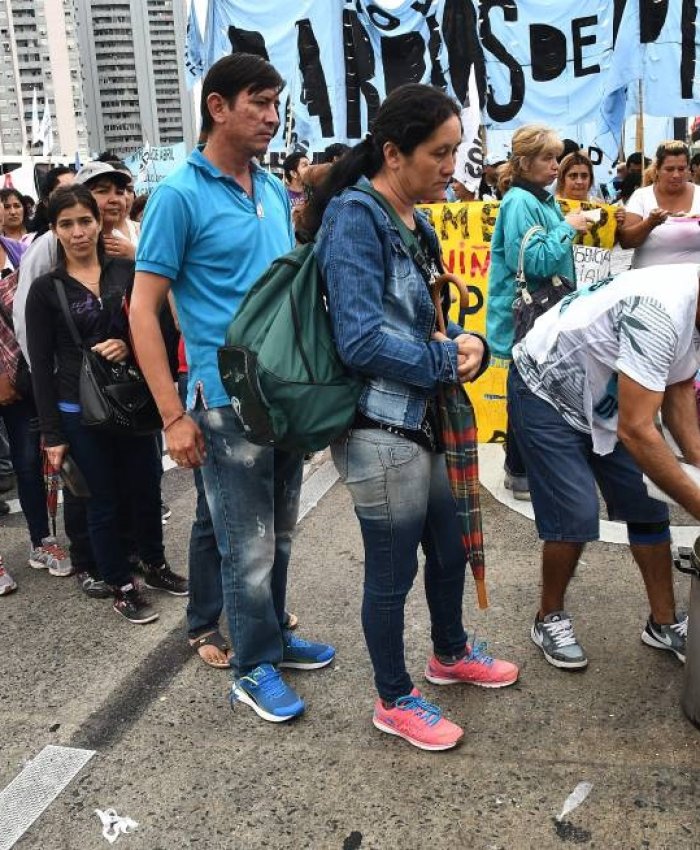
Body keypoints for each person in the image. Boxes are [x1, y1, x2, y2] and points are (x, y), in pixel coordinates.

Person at [305, 83, 519, 753]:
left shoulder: (415, 219)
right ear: (393, 153)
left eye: (455, 152)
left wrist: (470, 345)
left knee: (449, 550)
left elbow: (433, 322)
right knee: (392, 573)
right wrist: (444, 362)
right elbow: (361, 341)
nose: (451, 167)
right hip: (379, 429)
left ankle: (449, 653)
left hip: (426, 422)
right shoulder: (353, 218)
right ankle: (393, 697)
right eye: (439, 153)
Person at [130, 53, 335, 720]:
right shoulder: (178, 195)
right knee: (243, 545)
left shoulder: (274, 190)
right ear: (217, 107)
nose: (273, 118)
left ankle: (271, 636)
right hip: (223, 402)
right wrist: (173, 416)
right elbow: (142, 310)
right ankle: (251, 668)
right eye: (259, 103)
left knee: (277, 535)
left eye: (277, 105)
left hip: (284, 399)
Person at [509, 264, 697, 670]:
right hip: (545, 389)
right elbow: (638, 430)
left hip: (603, 398)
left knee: (647, 505)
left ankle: (663, 622)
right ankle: (548, 617)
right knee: (575, 513)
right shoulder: (659, 311)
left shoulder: (692, 307)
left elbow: (679, 392)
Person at [25, 184, 187, 624]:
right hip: (78, 409)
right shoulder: (45, 289)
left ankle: (153, 564)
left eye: (85, 221)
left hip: (132, 401)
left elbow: (165, 330)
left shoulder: (127, 271)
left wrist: (128, 345)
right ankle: (118, 582)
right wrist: (51, 434)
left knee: (146, 487)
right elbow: (40, 364)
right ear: (55, 231)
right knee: (102, 499)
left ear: (99, 223)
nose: (78, 232)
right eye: (67, 224)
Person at [486, 124, 589, 501]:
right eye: (548, 158)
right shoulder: (521, 202)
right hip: (527, 317)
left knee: (531, 386)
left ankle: (521, 468)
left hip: (538, 315)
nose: (556, 165)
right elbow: (535, 262)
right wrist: (568, 227)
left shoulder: (536, 199)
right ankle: (521, 470)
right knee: (528, 389)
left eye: (556, 157)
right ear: (526, 162)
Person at [0, 206, 72, 582]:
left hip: (21, 373)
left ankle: (41, 540)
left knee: (29, 462)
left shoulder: (14, 250)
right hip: (4, 374)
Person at [618, 141, 700, 269]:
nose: (676, 175)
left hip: (694, 282)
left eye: (681, 169)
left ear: (689, 170)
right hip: (648, 281)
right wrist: (650, 223)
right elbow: (626, 242)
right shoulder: (642, 196)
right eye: (669, 169)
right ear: (657, 170)